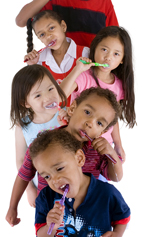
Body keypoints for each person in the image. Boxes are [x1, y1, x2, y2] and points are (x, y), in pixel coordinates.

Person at [6, 87, 123, 227]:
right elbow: (24, 175)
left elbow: (116, 177)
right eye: (87, 112)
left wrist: (112, 154)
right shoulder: (44, 144)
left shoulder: (98, 152)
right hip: (52, 213)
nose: (90, 123)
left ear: (102, 132)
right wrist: (13, 208)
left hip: (87, 215)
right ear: (72, 108)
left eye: (99, 123)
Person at [31, 129, 130, 237]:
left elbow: (122, 218)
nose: (54, 180)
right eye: (47, 176)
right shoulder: (45, 198)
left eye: (59, 169)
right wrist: (51, 227)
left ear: (79, 159)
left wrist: (116, 234)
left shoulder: (107, 193)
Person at [60, 26, 136, 161]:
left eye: (116, 54)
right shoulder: (84, 76)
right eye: (104, 50)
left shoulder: (119, 86)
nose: (107, 57)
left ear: (123, 59)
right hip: (76, 140)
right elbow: (60, 95)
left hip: (100, 147)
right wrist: (78, 69)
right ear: (94, 48)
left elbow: (113, 120)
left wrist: (118, 144)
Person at [11, 64, 67, 207]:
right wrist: (29, 189)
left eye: (50, 88)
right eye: (38, 95)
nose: (48, 97)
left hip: (69, 181)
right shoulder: (23, 127)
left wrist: (69, 122)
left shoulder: (67, 113)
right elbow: (21, 161)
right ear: (25, 103)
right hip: (44, 187)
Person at [24, 10, 89, 106]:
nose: (48, 36)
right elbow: (37, 95)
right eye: (42, 34)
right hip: (53, 116)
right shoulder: (39, 61)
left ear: (63, 26)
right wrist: (32, 66)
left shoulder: (85, 53)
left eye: (51, 28)